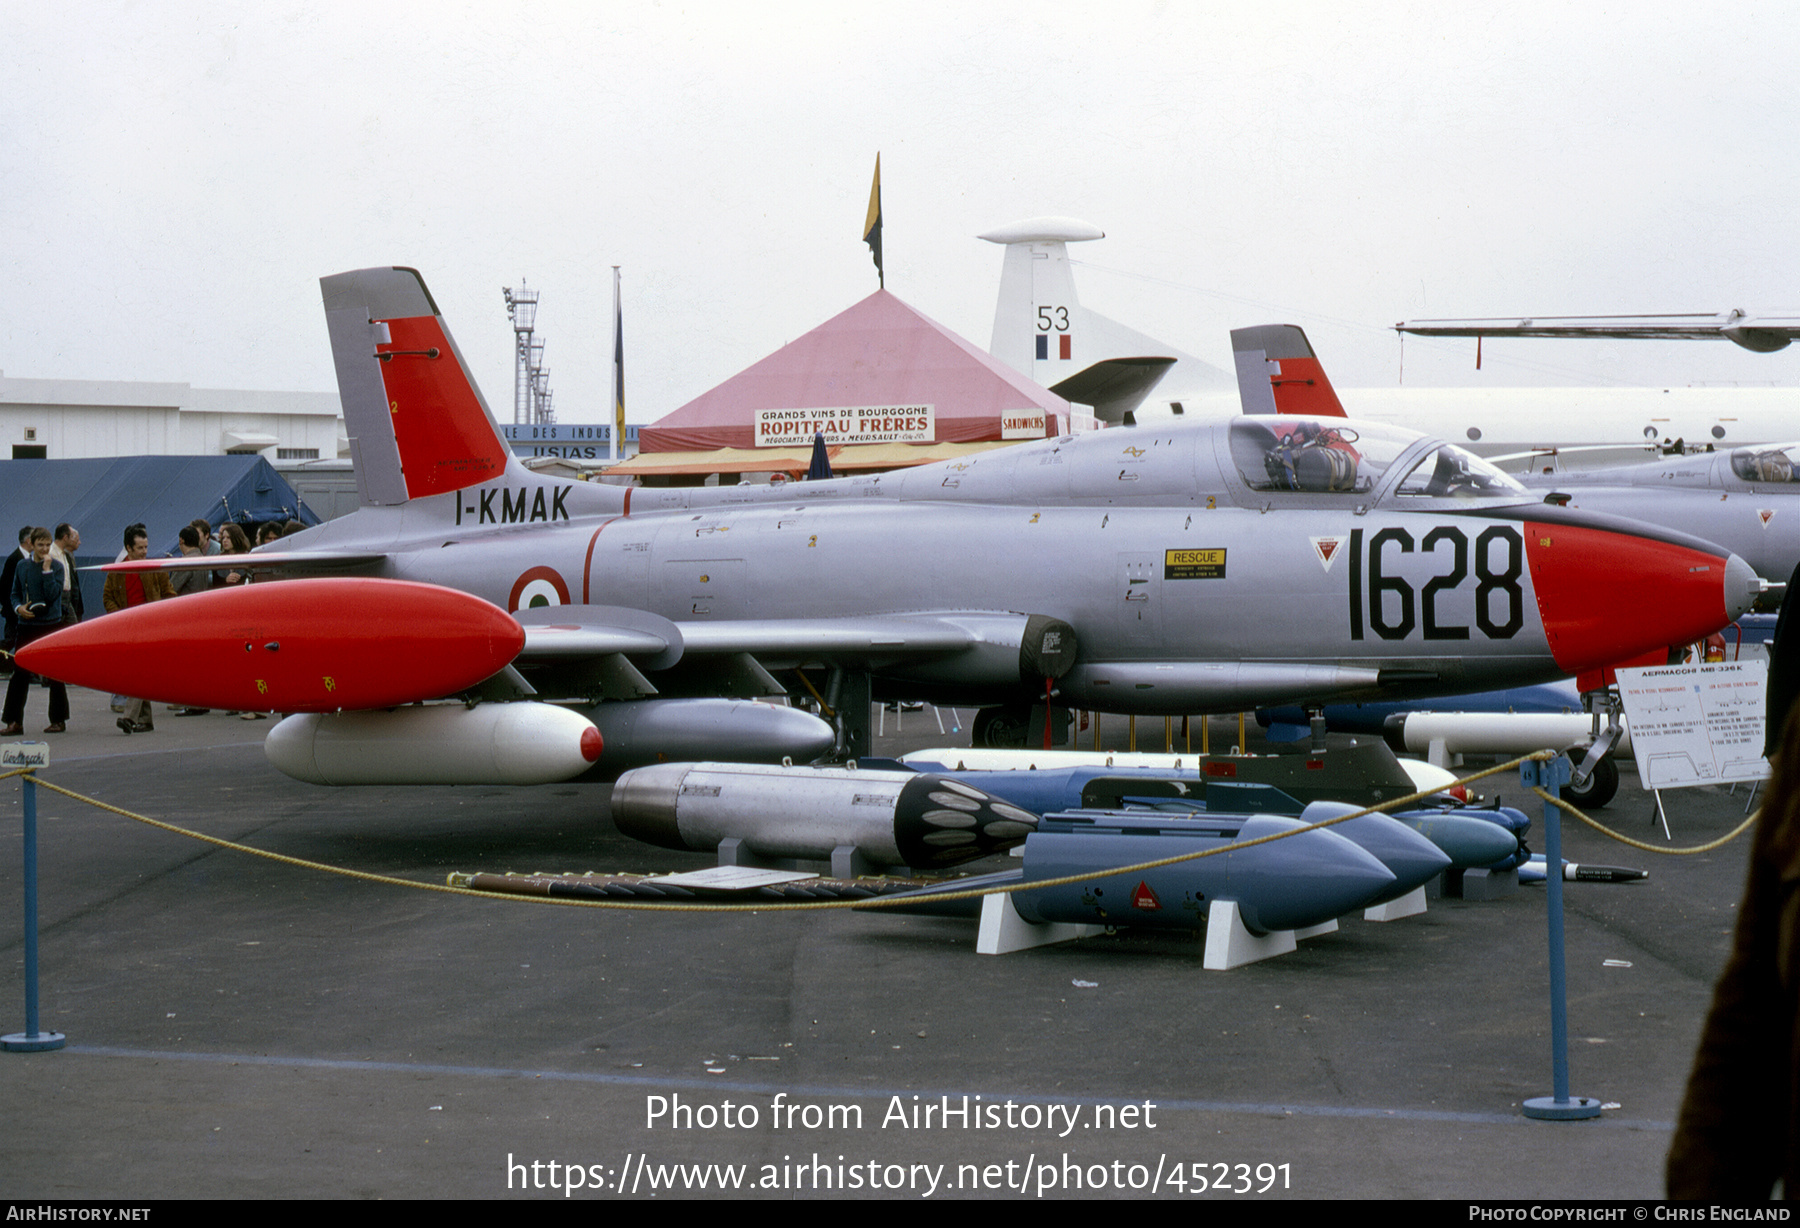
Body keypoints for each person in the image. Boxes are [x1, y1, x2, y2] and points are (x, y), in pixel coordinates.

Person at [102, 527, 176, 733]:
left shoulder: (154, 568)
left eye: (146, 547)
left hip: (150, 627)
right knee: (137, 671)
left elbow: (169, 593)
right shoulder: (116, 571)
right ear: (128, 548)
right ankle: (146, 720)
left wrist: (162, 615)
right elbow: (107, 597)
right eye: (140, 548)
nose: (144, 552)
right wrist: (119, 617)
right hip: (127, 628)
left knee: (139, 672)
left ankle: (129, 717)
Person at [1, 528, 69, 735]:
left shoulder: (56, 567)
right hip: (27, 625)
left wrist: (47, 570)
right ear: (32, 544)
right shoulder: (22, 566)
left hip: (50, 624)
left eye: (48, 545)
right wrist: (18, 608)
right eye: (40, 545)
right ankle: (13, 721)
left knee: (54, 673)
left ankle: (58, 719)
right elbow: (14, 593)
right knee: (19, 673)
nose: (45, 549)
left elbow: (53, 594)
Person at [0, 526, 32, 676]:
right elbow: (6, 585)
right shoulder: (15, 559)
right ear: (27, 540)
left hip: (20, 608)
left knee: (18, 639)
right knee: (10, 639)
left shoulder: (27, 558)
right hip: (14, 609)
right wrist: (12, 606)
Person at [51, 523, 82, 626]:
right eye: (72, 536)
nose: (74, 540)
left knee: (74, 628)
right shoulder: (52, 553)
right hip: (58, 597)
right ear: (65, 537)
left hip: (67, 599)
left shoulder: (63, 554)